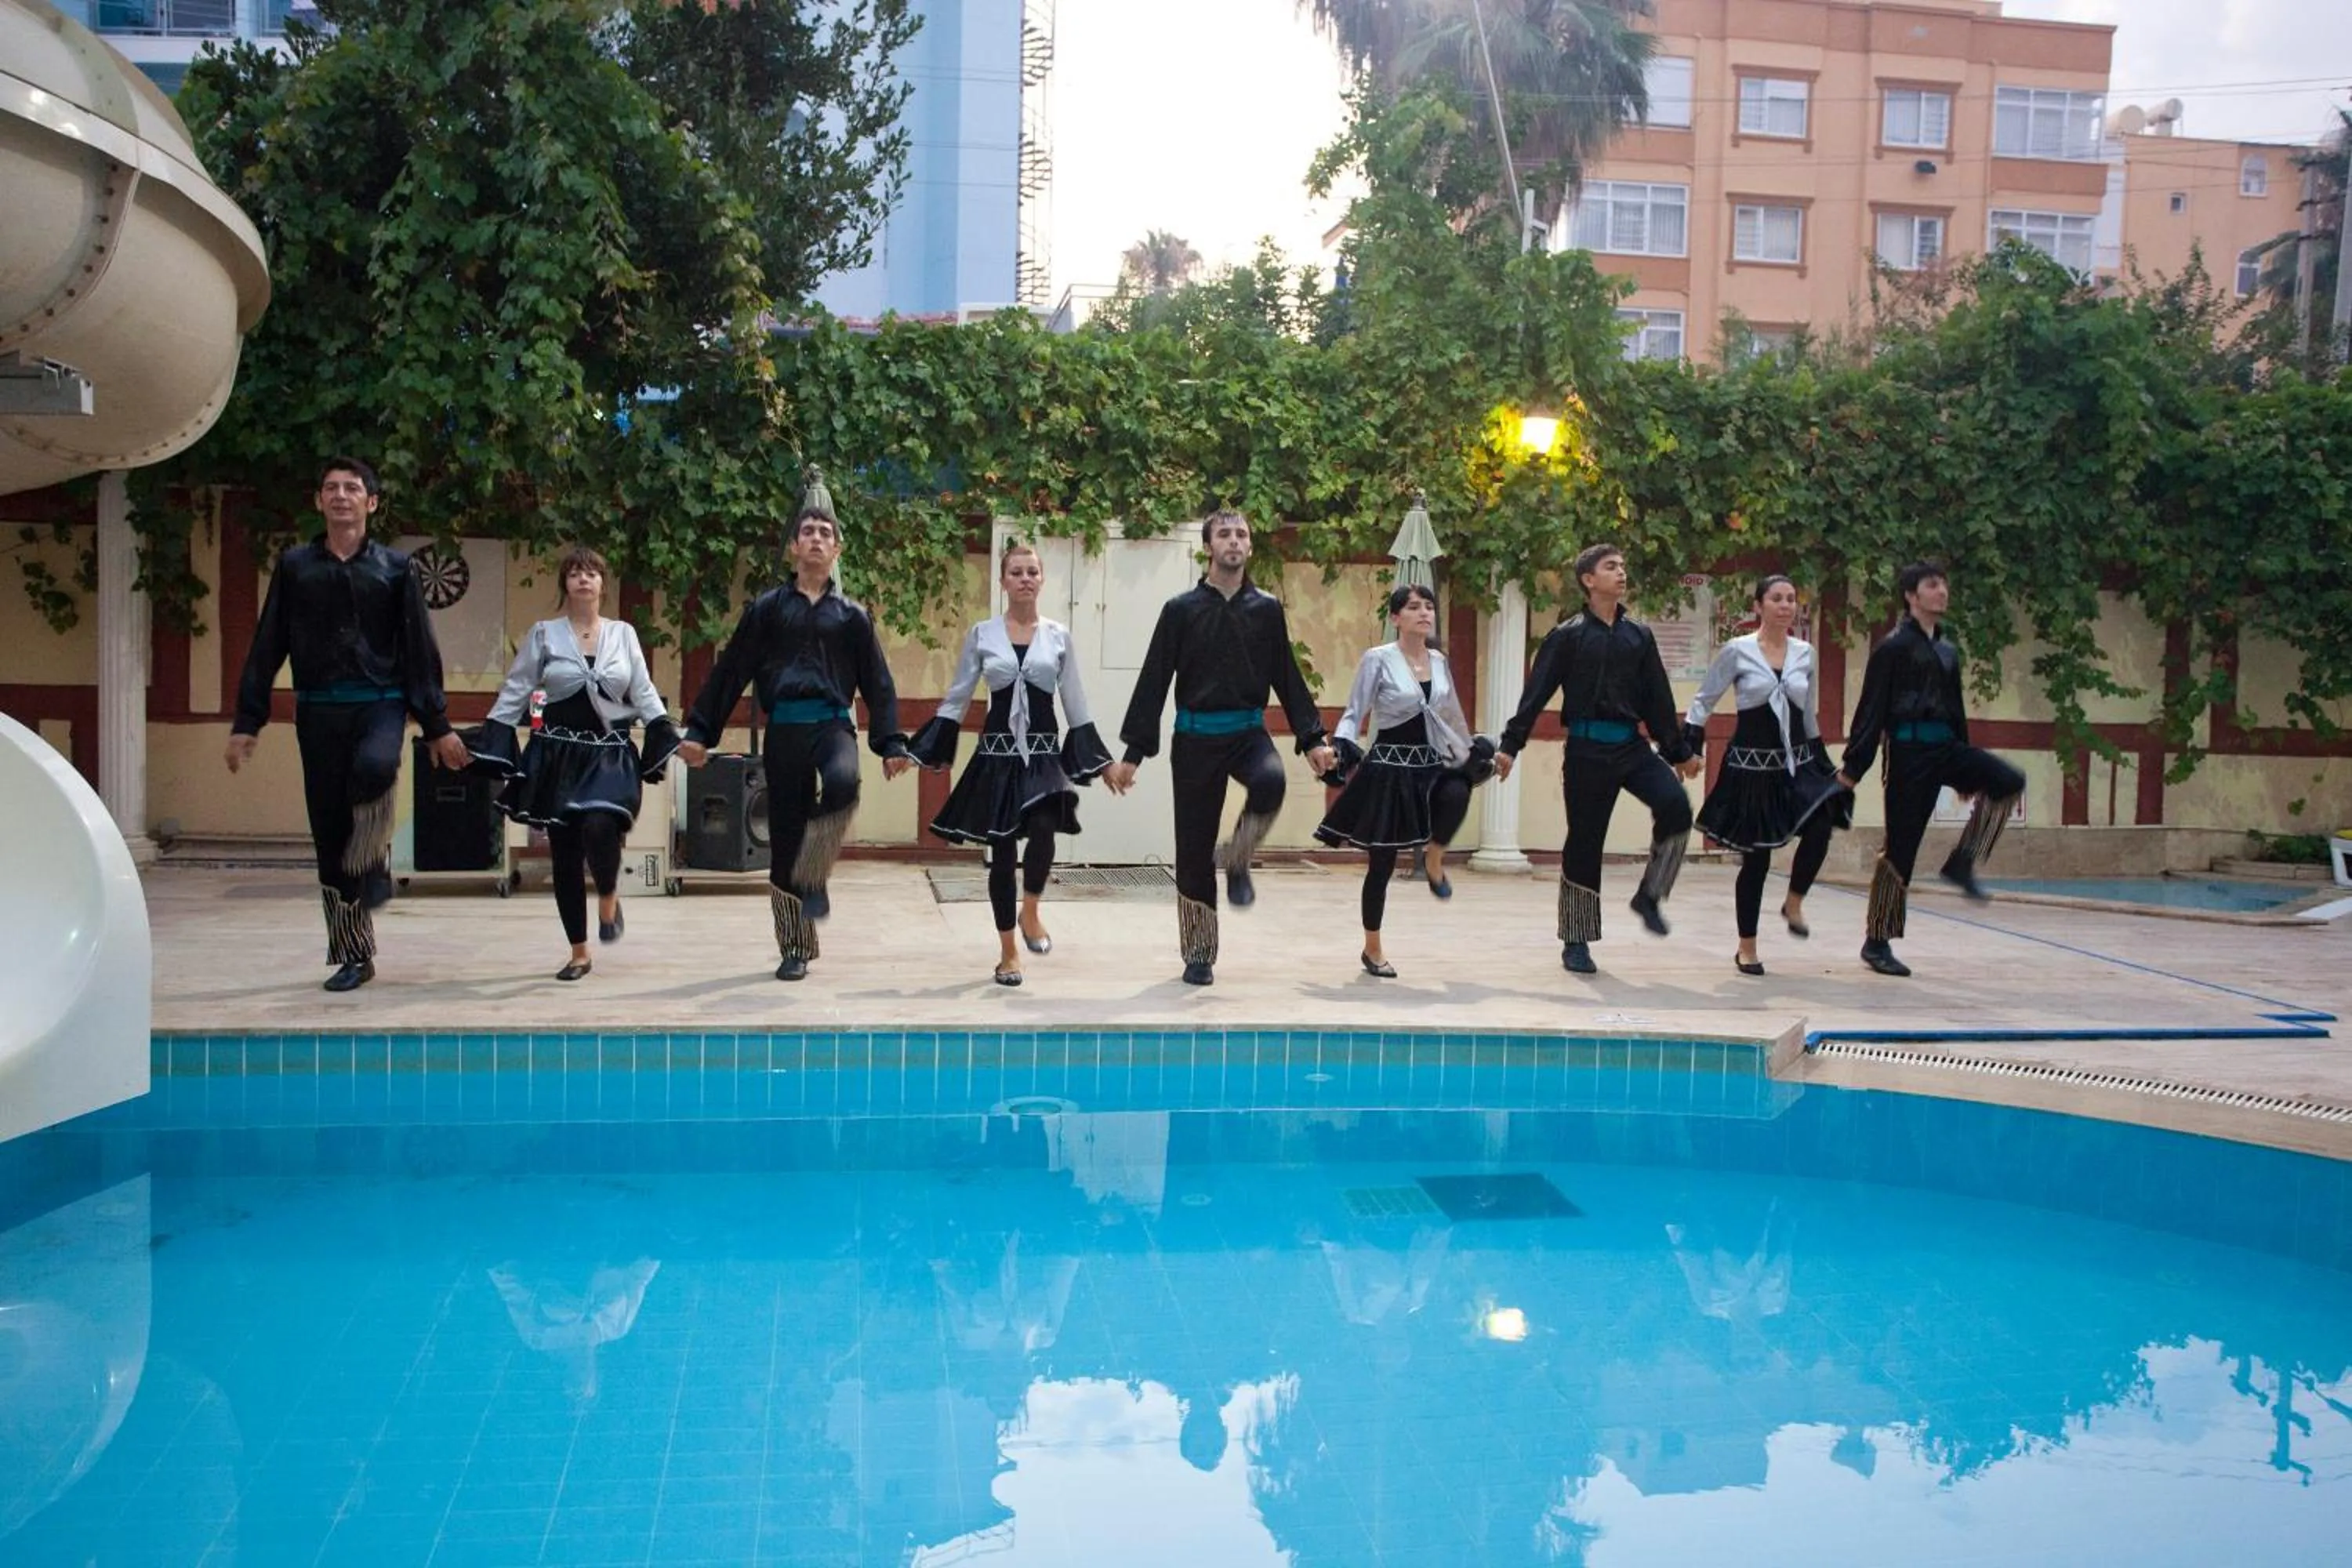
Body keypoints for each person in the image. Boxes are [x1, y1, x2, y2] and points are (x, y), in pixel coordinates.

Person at [224, 456, 469, 993]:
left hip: (380, 702)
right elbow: (268, 644)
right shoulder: (294, 568)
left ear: (371, 503)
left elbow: (418, 649)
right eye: (331, 487)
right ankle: (354, 954)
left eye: (352, 488)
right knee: (330, 839)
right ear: (319, 501)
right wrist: (249, 720)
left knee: (377, 766)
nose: (341, 495)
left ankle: (374, 858)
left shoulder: (396, 569)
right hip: (317, 710)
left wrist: (436, 724)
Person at [674, 474, 912, 981]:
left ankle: (816, 869)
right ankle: (795, 947)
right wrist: (699, 730)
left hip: (831, 727)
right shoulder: (766, 610)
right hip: (784, 731)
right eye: (809, 531)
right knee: (783, 842)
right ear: (793, 547)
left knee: (845, 784)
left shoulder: (852, 616)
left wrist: (891, 741)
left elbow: (878, 682)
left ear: (837, 548)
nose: (818, 538)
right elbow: (730, 671)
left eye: (826, 532)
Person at [1105, 509, 1338, 986]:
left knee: (1271, 782)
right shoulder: (1181, 610)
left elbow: (1287, 677)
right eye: (1224, 534)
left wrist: (1312, 738)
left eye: (1242, 535)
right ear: (1209, 547)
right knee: (1191, 853)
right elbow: (1154, 680)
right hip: (1194, 739)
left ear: (1250, 548)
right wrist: (1133, 755)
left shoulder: (1267, 609)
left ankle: (1236, 856)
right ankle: (1199, 952)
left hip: (1247, 733)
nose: (1234, 541)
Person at [909, 540, 1115, 986]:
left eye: (1032, 572)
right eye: (1016, 572)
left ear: (1041, 580)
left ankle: (1031, 911)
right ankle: (1007, 953)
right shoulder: (984, 634)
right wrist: (925, 749)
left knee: (1044, 830)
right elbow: (960, 694)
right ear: (1003, 581)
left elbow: (1075, 699)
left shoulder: (1057, 635)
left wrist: (1100, 763)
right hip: (997, 755)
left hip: (1041, 753)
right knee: (1001, 852)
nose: (1024, 578)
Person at [470, 545, 680, 982]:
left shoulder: (623, 634)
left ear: (603, 583)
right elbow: (518, 686)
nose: (584, 579)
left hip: (609, 751)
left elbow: (641, 689)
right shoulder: (545, 634)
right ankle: (579, 952)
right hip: (557, 753)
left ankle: (607, 892)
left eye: (592, 572)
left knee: (600, 824)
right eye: (575, 573)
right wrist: (496, 731)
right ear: (565, 584)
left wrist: (662, 728)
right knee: (564, 853)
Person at [1496, 543, 1703, 975]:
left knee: (1676, 807)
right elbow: (1535, 696)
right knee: (1585, 845)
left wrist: (1678, 752)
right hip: (1587, 751)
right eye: (1611, 567)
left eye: (1623, 567)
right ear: (1589, 580)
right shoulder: (1568, 636)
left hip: (1631, 747)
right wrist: (1511, 746)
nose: (1621, 573)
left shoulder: (1639, 636)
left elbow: (1658, 701)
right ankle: (1577, 939)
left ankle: (1650, 894)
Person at [1837, 561, 2026, 977]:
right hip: (1907, 752)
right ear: (1911, 595)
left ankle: (1963, 861)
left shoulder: (1947, 649)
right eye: (1932, 585)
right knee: (1901, 847)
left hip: (1945, 747)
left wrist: (1965, 772)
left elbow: (1957, 711)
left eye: (1944, 584)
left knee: (2010, 781)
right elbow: (1871, 710)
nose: (1942, 591)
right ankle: (1877, 941)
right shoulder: (1892, 647)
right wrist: (1854, 768)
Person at [1313, 582, 1494, 978]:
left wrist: (1470, 751)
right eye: (1413, 607)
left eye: (1428, 607)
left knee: (1459, 791)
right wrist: (1340, 747)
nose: (1424, 613)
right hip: (1389, 769)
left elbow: (1451, 717)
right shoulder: (1378, 659)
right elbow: (1355, 710)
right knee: (1381, 864)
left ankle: (1434, 858)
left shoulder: (1440, 661)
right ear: (1396, 618)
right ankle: (1372, 948)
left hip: (1432, 764)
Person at [1682, 575, 1851, 976]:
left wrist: (1823, 762)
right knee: (1756, 858)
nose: (1785, 605)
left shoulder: (1805, 653)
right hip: (1751, 768)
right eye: (1776, 598)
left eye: (1791, 599)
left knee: (1822, 823)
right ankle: (1747, 947)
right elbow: (1703, 701)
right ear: (1758, 606)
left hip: (1795, 761)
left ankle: (1794, 900)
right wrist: (1689, 746)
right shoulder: (1738, 652)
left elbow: (1807, 713)